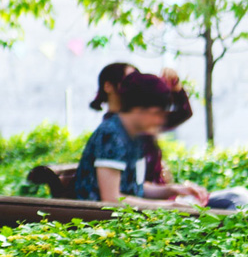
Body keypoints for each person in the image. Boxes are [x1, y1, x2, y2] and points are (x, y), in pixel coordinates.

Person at [73, 71, 210, 207]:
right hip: (97, 219)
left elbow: (135, 187)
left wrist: (173, 189)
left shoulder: (134, 134)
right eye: (156, 113)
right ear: (137, 108)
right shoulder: (111, 135)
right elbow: (111, 199)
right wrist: (170, 207)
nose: (160, 120)